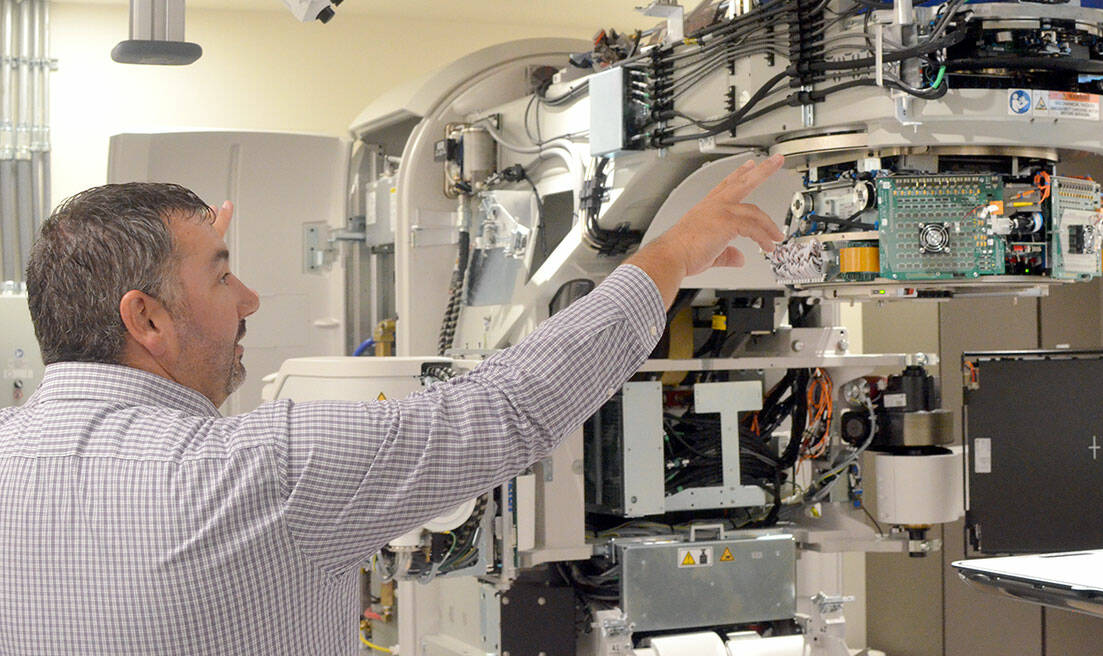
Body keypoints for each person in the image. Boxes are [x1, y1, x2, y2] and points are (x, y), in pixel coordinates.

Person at [0, 153, 786, 655]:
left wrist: (198, 266)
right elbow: (512, 405)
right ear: (145, 319)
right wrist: (675, 253)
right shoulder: (267, 473)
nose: (250, 298)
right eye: (221, 276)